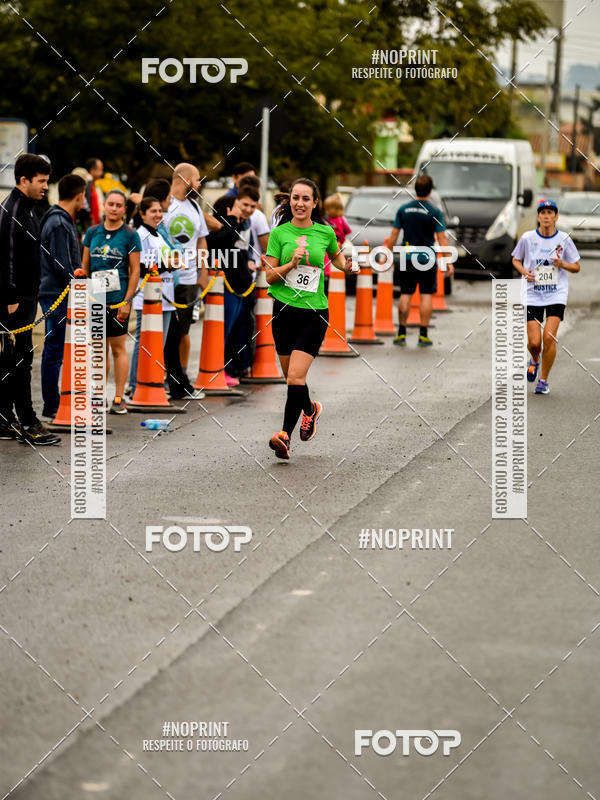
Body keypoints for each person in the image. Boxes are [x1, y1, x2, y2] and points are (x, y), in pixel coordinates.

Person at [264, 178, 358, 459]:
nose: (300, 203)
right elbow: (269, 276)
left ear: (315, 203)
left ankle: (284, 436)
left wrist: (348, 267)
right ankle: (310, 409)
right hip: (282, 311)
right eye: (296, 198)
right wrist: (291, 263)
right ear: (289, 200)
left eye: (306, 199)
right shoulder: (279, 234)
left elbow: (338, 260)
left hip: (314, 312)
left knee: (295, 376)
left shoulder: (325, 232)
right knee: (292, 379)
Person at [0, 153, 59, 445]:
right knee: (21, 361)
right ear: (24, 180)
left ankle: (3, 418)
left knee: (11, 360)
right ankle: (28, 422)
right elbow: (6, 256)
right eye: (42, 181)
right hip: (16, 298)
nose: (46, 186)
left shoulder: (30, 208)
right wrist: (10, 296)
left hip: (26, 294)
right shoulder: (12, 211)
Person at [512, 199, 580, 395]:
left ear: (556, 217)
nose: (547, 216)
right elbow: (515, 260)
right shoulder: (527, 238)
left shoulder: (564, 240)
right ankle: (534, 359)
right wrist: (525, 272)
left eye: (551, 213)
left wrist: (562, 265)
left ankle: (543, 380)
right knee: (534, 343)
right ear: (538, 217)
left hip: (556, 293)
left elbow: (576, 266)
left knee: (548, 338)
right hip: (533, 293)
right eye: (543, 213)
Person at [82, 189, 141, 414]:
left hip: (118, 301)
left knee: (118, 348)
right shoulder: (92, 232)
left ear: (125, 209)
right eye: (111, 204)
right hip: (96, 298)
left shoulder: (130, 235)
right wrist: (87, 295)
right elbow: (85, 266)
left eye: (119, 205)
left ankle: (118, 397)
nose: (114, 208)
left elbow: (135, 271)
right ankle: (99, 396)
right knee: (98, 349)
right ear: (104, 206)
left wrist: (127, 301)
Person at [39, 173, 86, 419]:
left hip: (57, 291)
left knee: (57, 348)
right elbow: (61, 263)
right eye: (84, 196)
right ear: (79, 196)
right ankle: (51, 405)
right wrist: (78, 280)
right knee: (55, 349)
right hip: (56, 293)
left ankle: (56, 400)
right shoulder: (59, 223)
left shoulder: (59, 219)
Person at [387, 174, 453, 347]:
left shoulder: (403, 209)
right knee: (426, 295)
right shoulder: (434, 211)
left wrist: (388, 254)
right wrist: (448, 261)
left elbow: (393, 235)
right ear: (430, 191)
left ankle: (401, 333)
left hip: (406, 256)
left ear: (415, 189)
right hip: (427, 257)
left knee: (405, 294)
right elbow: (442, 238)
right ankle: (423, 335)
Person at [207, 185, 259, 385]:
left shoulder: (238, 228)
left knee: (232, 332)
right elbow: (225, 241)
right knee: (223, 330)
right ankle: (218, 369)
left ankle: (228, 367)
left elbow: (241, 253)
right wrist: (232, 221)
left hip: (240, 287)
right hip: (226, 287)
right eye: (238, 206)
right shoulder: (221, 230)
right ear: (228, 209)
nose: (242, 211)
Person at [128, 197, 177, 396]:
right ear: (142, 214)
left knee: (159, 344)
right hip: (147, 298)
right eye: (153, 211)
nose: (158, 214)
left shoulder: (157, 234)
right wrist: (168, 265)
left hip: (165, 297)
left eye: (160, 210)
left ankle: (152, 381)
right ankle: (134, 384)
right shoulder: (140, 235)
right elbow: (139, 266)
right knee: (143, 342)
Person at [163, 163, 209, 375]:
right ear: (185, 179)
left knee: (183, 331)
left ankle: (180, 376)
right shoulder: (164, 204)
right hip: (164, 279)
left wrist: (203, 272)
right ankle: (160, 375)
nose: (199, 184)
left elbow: (201, 241)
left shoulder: (195, 207)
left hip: (189, 279)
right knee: (162, 330)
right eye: (197, 179)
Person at [323, 193, 351, 277]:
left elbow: (346, 230)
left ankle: (327, 272)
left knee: (330, 257)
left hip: (336, 243)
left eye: (328, 209)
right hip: (336, 243)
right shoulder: (340, 219)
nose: (326, 211)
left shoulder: (334, 220)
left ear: (335, 209)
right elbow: (347, 230)